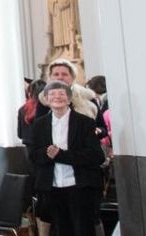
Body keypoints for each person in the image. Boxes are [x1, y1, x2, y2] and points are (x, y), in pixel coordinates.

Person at [29, 81, 105, 236]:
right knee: (59, 231)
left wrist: (62, 155)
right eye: (52, 94)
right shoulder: (39, 125)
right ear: (47, 100)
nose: (57, 97)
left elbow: (97, 156)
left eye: (62, 94)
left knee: (83, 230)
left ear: (69, 99)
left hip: (80, 186)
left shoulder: (85, 123)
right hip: (52, 187)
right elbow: (33, 155)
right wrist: (47, 153)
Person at [18, 79, 47, 146]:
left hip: (28, 149)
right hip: (45, 147)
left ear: (29, 93)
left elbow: (20, 134)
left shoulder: (22, 110)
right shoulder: (47, 109)